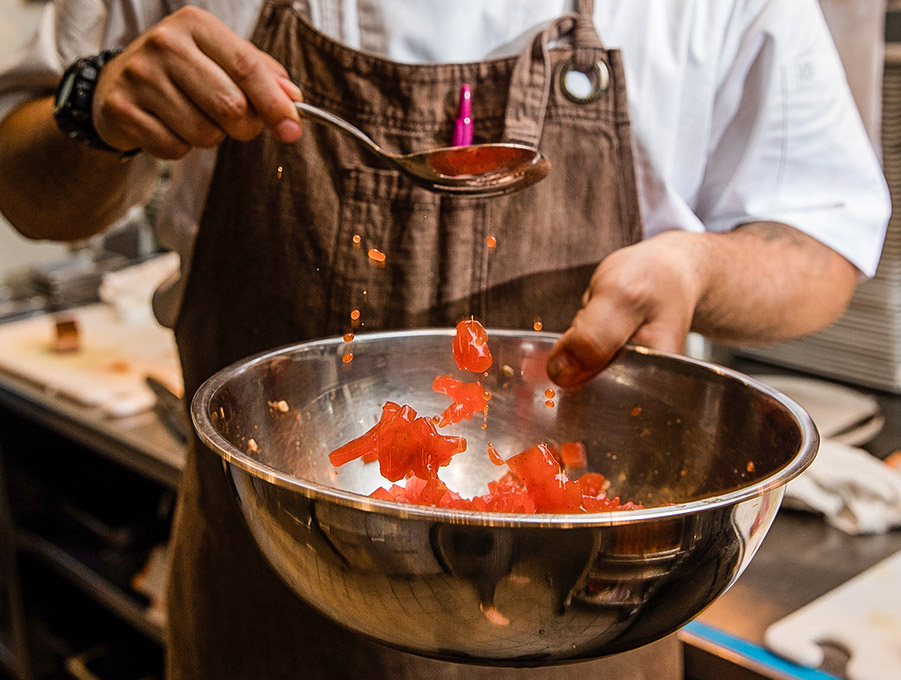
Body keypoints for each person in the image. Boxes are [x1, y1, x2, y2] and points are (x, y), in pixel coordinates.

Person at [0, 1, 890, 678]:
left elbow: (822, 251)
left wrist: (698, 270)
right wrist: (91, 111)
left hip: (591, 612)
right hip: (268, 597)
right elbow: (29, 193)